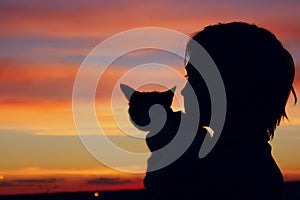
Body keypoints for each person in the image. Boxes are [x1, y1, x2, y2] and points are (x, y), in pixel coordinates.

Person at [178, 22, 297, 199]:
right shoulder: (248, 163)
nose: (184, 90)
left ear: (234, 85)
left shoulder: (233, 173)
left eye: (196, 76)